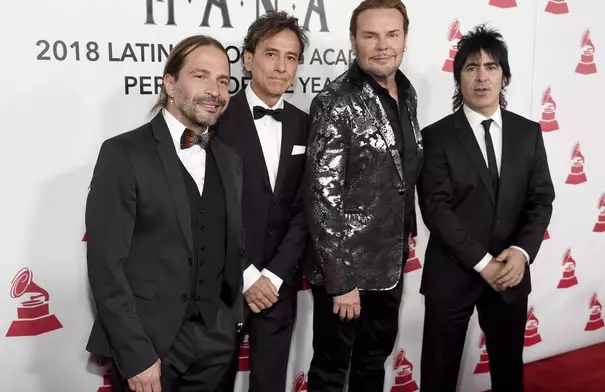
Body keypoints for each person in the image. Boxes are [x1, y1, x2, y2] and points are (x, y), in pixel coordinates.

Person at [85, 35, 245, 392]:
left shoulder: (230, 160)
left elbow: (231, 244)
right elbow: (106, 266)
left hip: (217, 341)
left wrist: (230, 323)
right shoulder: (123, 154)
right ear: (170, 84)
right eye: (200, 76)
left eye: (223, 80)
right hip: (150, 343)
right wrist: (135, 353)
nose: (214, 90)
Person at [417, 24, 555, 392]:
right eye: (471, 67)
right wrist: (483, 263)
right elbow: (436, 208)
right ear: (458, 76)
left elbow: (541, 199)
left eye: (491, 67)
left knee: (508, 370)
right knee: (438, 372)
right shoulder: (435, 136)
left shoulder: (529, 133)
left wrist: (522, 252)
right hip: (452, 275)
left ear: (504, 76)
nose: (482, 77)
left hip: (511, 274)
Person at [304, 1, 423, 390]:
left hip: (390, 264)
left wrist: (408, 228)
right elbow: (322, 197)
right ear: (354, 40)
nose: (383, 45)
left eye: (392, 34)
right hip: (347, 273)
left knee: (373, 364)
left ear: (405, 38)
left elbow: (402, 173)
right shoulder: (334, 101)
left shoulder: (407, 94)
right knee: (331, 372)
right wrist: (340, 280)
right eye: (371, 35)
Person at [215, 11, 310, 392]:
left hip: (280, 286)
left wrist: (272, 276)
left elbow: (307, 207)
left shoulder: (307, 124)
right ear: (248, 58)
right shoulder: (216, 118)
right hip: (222, 285)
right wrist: (247, 275)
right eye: (272, 54)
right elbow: (208, 210)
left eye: (291, 57)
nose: (282, 66)